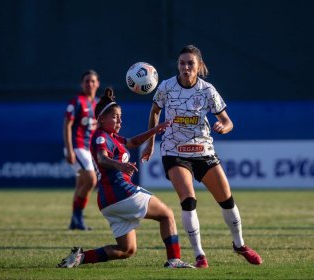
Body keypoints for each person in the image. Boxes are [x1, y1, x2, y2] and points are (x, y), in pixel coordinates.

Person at [141, 44, 263, 268]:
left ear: (199, 66)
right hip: (174, 151)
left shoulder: (207, 90)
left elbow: (228, 121)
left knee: (227, 201)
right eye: (182, 63)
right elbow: (155, 111)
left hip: (203, 151)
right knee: (188, 200)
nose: (185, 67)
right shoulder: (166, 87)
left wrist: (223, 127)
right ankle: (200, 255)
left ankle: (239, 244)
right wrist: (150, 144)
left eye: (190, 63)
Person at [57, 88, 194, 269]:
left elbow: (133, 142)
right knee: (167, 214)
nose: (120, 120)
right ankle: (174, 260)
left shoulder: (112, 137)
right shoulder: (100, 137)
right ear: (101, 119)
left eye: (120, 116)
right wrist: (120, 165)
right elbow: (102, 158)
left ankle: (80, 257)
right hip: (121, 192)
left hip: (108, 202)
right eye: (115, 116)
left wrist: (154, 130)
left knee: (127, 249)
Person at [63, 70, 100, 230]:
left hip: (89, 149)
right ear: (82, 84)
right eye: (86, 81)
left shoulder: (98, 103)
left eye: (92, 81)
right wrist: (70, 149)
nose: (89, 84)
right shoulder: (77, 101)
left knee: (81, 184)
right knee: (91, 180)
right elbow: (67, 125)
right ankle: (78, 217)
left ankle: (75, 221)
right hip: (78, 147)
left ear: (97, 83)